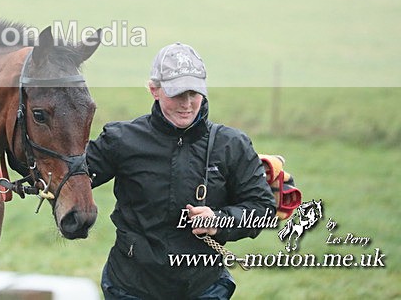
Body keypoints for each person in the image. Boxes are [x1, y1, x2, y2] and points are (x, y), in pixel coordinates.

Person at [87, 42, 275, 299]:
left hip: (203, 288)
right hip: (130, 287)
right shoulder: (121, 139)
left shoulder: (231, 144)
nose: (187, 104)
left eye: (194, 94)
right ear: (154, 90)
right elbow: (67, 175)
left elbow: (262, 208)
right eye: (177, 94)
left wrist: (219, 220)